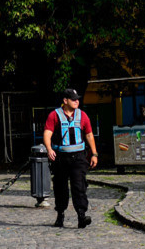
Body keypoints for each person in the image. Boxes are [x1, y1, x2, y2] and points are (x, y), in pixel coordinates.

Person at [43, 88, 99, 229]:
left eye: (77, 99)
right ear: (65, 100)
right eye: (73, 99)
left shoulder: (82, 115)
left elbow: (89, 135)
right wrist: (49, 149)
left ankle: (81, 216)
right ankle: (60, 215)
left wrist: (94, 154)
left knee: (79, 186)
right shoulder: (54, 115)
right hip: (60, 158)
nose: (76, 101)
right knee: (60, 187)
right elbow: (47, 134)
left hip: (79, 157)